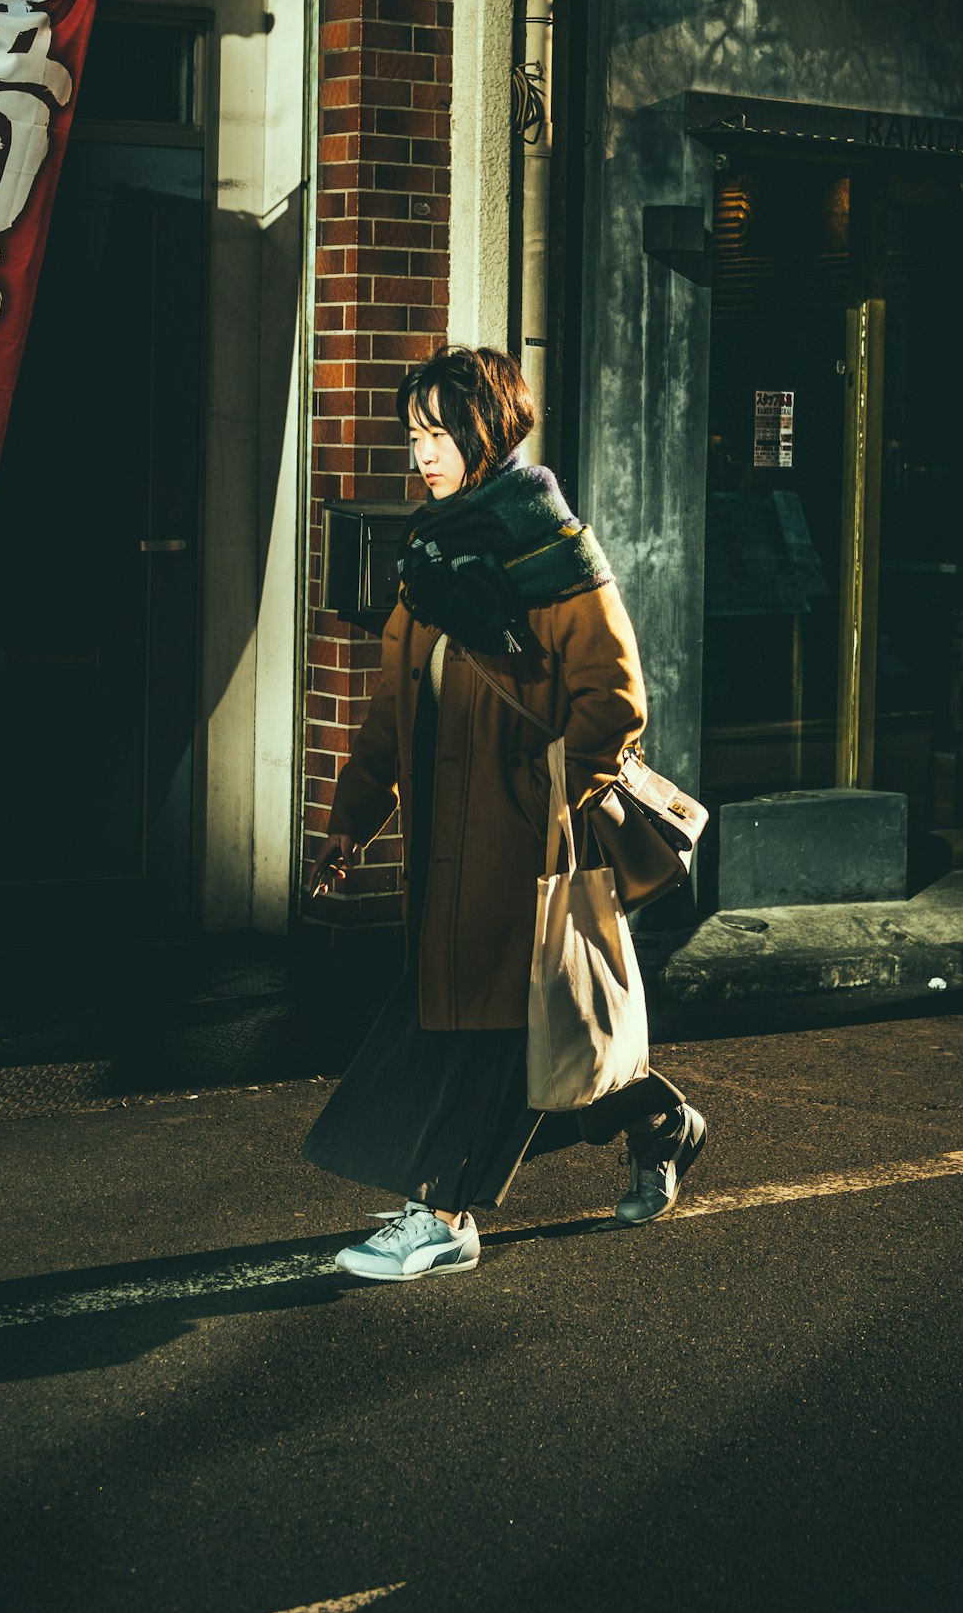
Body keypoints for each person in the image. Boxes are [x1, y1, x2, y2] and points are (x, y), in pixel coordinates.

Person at [302, 344, 706, 1282]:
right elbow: (392, 709)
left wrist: (549, 799)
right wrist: (349, 823)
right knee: (524, 1032)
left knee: (482, 1031)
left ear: (485, 431)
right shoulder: (432, 555)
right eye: (414, 436)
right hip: (443, 844)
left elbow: (613, 701)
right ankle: (659, 1124)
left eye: (438, 433)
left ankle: (441, 1215)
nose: (423, 455)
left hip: (522, 846)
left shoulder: (551, 549)